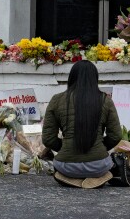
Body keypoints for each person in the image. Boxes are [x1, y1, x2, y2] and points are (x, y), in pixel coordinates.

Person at [42, 59, 122, 189]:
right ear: (95, 78)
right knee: (107, 166)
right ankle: (98, 178)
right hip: (99, 165)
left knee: (59, 168)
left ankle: (69, 178)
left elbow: (48, 139)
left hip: (66, 166)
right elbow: (116, 135)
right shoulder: (105, 100)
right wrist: (98, 147)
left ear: (71, 77)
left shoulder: (56, 100)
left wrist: (66, 148)